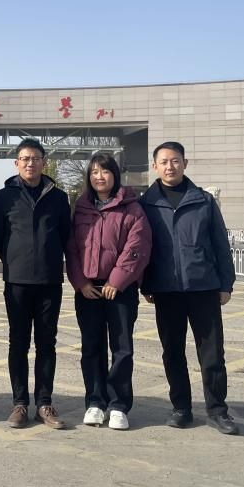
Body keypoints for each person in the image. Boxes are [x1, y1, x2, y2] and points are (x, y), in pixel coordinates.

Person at [140, 141, 239, 435]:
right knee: (172, 352)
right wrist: (145, 283)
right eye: (164, 162)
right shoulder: (146, 204)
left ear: (185, 163)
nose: (170, 166)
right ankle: (181, 407)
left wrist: (226, 283)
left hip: (203, 287)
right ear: (154, 166)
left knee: (212, 353)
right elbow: (142, 248)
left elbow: (220, 244)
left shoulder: (203, 200)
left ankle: (218, 410)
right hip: (166, 290)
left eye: (175, 160)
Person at [66, 153, 151, 431]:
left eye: (104, 171)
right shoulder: (81, 208)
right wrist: (80, 282)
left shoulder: (132, 208)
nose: (99, 177)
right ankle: (95, 401)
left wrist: (116, 280)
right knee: (91, 347)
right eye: (94, 172)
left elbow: (137, 248)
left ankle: (118, 405)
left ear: (115, 175)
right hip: (88, 289)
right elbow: (72, 249)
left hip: (121, 289)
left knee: (122, 348)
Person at [0, 138, 71, 429]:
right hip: (17, 282)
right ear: (16, 163)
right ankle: (20, 403)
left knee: (47, 343)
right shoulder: (3, 198)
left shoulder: (59, 198)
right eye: (24, 158)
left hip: (49, 281)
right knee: (18, 342)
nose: (30, 163)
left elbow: (65, 236)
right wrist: (15, 259)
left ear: (43, 162)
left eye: (35, 158)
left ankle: (45, 403)